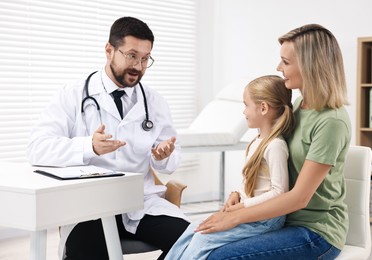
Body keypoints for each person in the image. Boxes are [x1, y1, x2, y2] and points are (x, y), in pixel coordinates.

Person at [26, 16, 190, 260]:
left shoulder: (154, 102)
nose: (138, 66)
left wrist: (162, 156)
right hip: (89, 207)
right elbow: (37, 148)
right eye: (132, 55)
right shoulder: (72, 95)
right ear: (109, 50)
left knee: (195, 244)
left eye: (145, 59)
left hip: (141, 203)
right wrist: (88, 146)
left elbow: (171, 159)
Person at [202, 24, 352, 260]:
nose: (278, 68)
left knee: (218, 257)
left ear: (310, 65)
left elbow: (299, 197)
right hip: (278, 220)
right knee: (202, 245)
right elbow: (269, 170)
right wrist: (240, 196)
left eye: (286, 62)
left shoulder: (331, 122)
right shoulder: (297, 107)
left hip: (315, 232)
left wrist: (236, 216)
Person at [165, 75, 295, 260]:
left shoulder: (275, 146)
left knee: (203, 240)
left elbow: (279, 192)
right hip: (249, 213)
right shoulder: (256, 142)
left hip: (265, 220)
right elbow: (252, 182)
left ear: (263, 108)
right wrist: (236, 193)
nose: (244, 112)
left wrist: (243, 206)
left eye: (246, 105)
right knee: (192, 230)